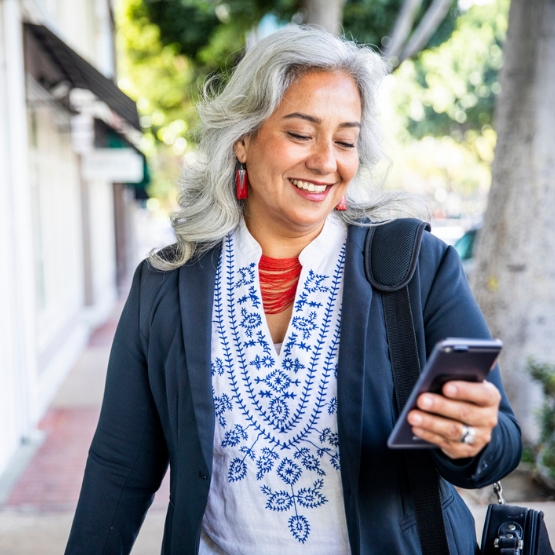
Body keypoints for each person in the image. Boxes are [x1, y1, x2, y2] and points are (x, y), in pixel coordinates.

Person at [65, 26, 521, 555]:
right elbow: (121, 466)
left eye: (345, 141)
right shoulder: (168, 282)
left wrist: (470, 436)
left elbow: (499, 443)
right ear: (243, 138)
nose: (326, 161)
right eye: (301, 134)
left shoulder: (416, 266)